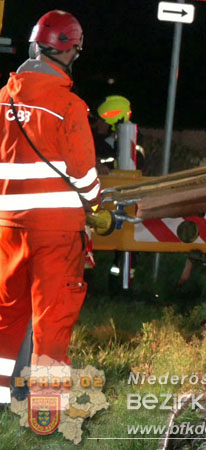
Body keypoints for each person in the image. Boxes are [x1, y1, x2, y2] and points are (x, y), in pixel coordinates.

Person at [0, 10, 99, 407]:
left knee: (7, 316)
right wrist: (96, 205)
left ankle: (2, 403)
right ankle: (46, 411)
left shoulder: (3, 98)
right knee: (52, 319)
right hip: (56, 231)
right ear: (72, 50)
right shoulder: (68, 105)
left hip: (8, 226)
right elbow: (84, 172)